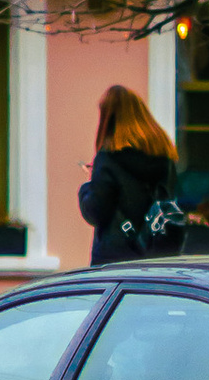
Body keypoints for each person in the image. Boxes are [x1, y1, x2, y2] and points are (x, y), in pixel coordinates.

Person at [77, 83, 184, 260]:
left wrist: (87, 188)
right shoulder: (165, 156)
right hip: (160, 256)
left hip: (116, 261)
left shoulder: (108, 158)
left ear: (108, 119)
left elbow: (96, 212)